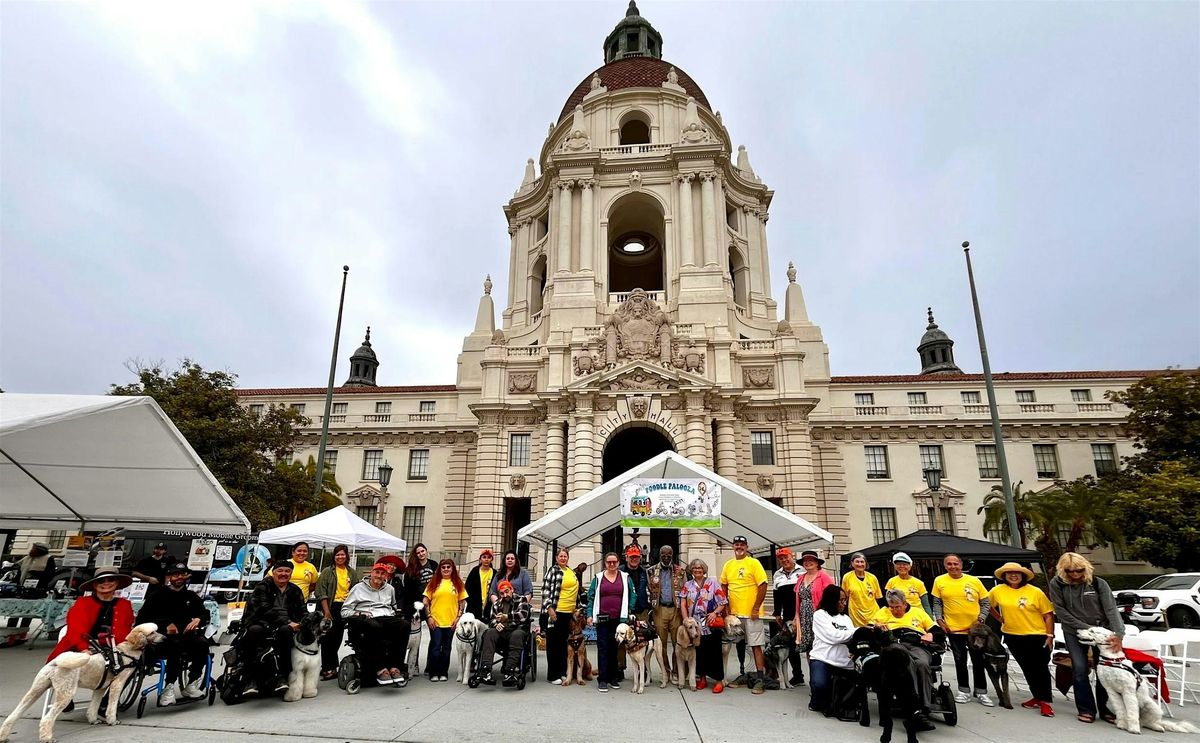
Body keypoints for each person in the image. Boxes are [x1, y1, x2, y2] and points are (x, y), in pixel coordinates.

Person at [1048, 552, 1124, 725]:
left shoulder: (1097, 583)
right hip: (1074, 631)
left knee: (1104, 670)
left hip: (1101, 630)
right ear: (1063, 570)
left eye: (1079, 570)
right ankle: (1086, 709)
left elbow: (1111, 609)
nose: (1075, 574)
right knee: (1080, 668)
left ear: (1086, 568)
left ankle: (1106, 709)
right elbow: (1060, 611)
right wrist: (1086, 628)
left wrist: (1119, 634)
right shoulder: (1057, 584)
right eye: (1070, 571)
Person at [135, 562, 210, 705]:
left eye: (182, 574)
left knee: (202, 644)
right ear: (169, 577)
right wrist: (164, 624)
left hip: (185, 636)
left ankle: (192, 682)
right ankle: (168, 687)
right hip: (161, 638)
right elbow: (142, 619)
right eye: (175, 575)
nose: (179, 577)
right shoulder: (156, 596)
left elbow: (204, 613)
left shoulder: (190, 596)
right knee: (174, 646)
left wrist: (199, 619)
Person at [989, 562, 1055, 718]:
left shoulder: (1035, 591)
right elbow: (986, 604)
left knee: (1040, 668)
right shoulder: (997, 590)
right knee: (1027, 668)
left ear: (1023, 575)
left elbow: (1048, 614)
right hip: (1013, 636)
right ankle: (1037, 696)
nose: (1013, 575)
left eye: (1017, 572)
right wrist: (999, 618)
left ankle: (1045, 702)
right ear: (1004, 575)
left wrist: (1050, 635)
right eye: (1009, 573)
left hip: (1037, 635)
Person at [931, 553, 994, 707]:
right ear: (945, 566)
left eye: (955, 563)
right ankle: (963, 690)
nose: (953, 566)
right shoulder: (939, 580)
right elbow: (937, 603)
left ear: (961, 565)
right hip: (954, 629)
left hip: (975, 631)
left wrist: (980, 619)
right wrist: (939, 620)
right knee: (960, 661)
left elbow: (986, 603)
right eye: (949, 564)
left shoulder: (974, 581)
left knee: (978, 660)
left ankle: (981, 691)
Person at [871, 589, 939, 730]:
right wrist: (877, 627)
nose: (894, 610)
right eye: (892, 607)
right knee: (906, 662)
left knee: (922, 664)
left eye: (897, 607)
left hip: (917, 643)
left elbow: (937, 631)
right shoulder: (883, 612)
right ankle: (914, 707)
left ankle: (924, 707)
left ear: (905, 604)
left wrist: (931, 635)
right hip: (895, 643)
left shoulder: (918, 613)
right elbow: (870, 628)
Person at [240, 560, 306, 696]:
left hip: (285, 627)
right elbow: (263, 609)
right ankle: (250, 679)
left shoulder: (295, 590)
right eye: (280, 571)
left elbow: (302, 611)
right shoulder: (263, 587)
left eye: (287, 571)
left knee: (286, 632)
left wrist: (305, 622)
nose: (283, 574)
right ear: (273, 572)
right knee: (254, 631)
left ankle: (282, 677)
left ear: (291, 573)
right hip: (261, 622)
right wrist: (287, 621)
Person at [48, 567, 134, 661]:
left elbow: (125, 630)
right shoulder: (83, 603)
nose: (106, 583)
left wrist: (121, 649)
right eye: (101, 581)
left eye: (111, 579)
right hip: (82, 647)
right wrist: (83, 649)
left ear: (117, 583)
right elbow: (75, 630)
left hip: (115, 649)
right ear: (95, 585)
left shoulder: (125, 604)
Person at [342, 562, 407, 684]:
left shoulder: (390, 589)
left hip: (386, 617)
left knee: (404, 625)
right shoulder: (358, 588)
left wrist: (397, 612)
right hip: (366, 617)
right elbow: (344, 611)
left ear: (386, 576)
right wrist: (359, 613)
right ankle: (380, 668)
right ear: (371, 573)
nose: (379, 576)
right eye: (377, 572)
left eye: (383, 573)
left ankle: (395, 666)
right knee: (375, 626)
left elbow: (393, 606)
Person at [720, 535, 770, 694]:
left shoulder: (754, 563)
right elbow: (724, 586)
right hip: (735, 614)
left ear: (747, 547)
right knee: (739, 644)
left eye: (742, 545)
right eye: (736, 544)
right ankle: (743, 673)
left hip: (751, 614)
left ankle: (760, 678)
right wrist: (726, 608)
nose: (739, 547)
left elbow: (763, 585)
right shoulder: (728, 564)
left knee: (755, 645)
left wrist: (756, 608)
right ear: (733, 547)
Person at [586, 552, 634, 692]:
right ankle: (602, 679)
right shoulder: (598, 578)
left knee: (615, 648)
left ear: (618, 563)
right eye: (609, 562)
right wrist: (589, 614)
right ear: (605, 563)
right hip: (602, 618)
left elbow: (633, 595)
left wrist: (629, 610)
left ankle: (613, 677)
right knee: (603, 648)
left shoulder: (625, 577)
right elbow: (591, 597)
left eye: (614, 562)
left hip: (619, 619)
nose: (612, 564)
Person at [679, 558, 728, 693]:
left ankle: (718, 680)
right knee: (700, 652)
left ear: (704, 570)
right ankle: (702, 678)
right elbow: (683, 603)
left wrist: (715, 613)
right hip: (695, 625)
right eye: (695, 568)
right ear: (691, 570)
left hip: (710, 623)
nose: (697, 570)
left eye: (700, 568)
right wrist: (686, 619)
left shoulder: (713, 583)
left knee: (714, 651)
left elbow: (723, 601)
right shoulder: (688, 585)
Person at [314, 544, 359, 681]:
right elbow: (320, 592)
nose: (340, 557)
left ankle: (332, 667)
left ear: (347, 556)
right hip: (330, 606)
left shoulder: (351, 572)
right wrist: (326, 611)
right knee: (327, 638)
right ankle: (327, 668)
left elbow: (356, 591)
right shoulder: (327, 571)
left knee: (337, 638)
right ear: (334, 556)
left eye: (342, 554)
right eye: (337, 554)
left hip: (345, 607)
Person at [792, 549, 835, 691]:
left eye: (811, 560)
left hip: (819, 616)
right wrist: (796, 617)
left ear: (817, 563)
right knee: (809, 649)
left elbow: (832, 596)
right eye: (805, 560)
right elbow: (798, 599)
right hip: (804, 617)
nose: (808, 562)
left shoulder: (824, 577)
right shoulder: (801, 578)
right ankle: (814, 681)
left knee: (820, 648)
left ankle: (824, 681)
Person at [809, 585, 855, 713]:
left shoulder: (846, 619)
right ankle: (816, 700)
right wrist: (856, 631)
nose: (844, 603)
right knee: (820, 686)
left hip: (844, 662)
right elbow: (833, 636)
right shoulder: (819, 615)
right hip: (822, 659)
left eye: (845, 600)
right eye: (841, 600)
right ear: (832, 600)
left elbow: (850, 639)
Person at [477, 579, 532, 686]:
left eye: (507, 591)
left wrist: (507, 617)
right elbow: (492, 620)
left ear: (512, 589)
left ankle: (509, 670)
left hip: (516, 630)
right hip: (502, 632)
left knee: (517, 635)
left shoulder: (522, 600)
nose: (505, 595)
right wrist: (496, 624)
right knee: (489, 633)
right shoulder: (496, 604)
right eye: (502, 593)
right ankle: (485, 669)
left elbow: (523, 616)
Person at [540, 547, 582, 684]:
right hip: (556, 611)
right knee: (553, 644)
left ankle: (563, 672)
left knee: (564, 644)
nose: (563, 558)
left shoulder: (570, 571)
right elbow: (545, 590)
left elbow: (576, 591)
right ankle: (553, 675)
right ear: (556, 558)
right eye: (561, 556)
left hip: (569, 613)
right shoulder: (553, 571)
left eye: (565, 556)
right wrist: (549, 608)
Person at [423, 558, 467, 682]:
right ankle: (433, 672)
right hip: (435, 621)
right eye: (443, 567)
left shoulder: (458, 583)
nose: (446, 569)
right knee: (436, 648)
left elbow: (462, 602)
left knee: (447, 649)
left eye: (448, 567)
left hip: (451, 622)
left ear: (452, 569)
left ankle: (443, 672)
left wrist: (458, 618)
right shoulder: (433, 582)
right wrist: (429, 617)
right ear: (440, 569)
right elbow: (425, 601)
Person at [647, 544, 686, 685]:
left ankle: (676, 671)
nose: (666, 557)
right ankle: (666, 671)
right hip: (660, 610)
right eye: (663, 555)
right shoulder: (651, 571)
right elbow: (648, 589)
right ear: (659, 555)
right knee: (661, 644)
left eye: (669, 555)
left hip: (676, 610)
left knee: (678, 643)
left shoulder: (680, 571)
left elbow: (685, 590)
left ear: (672, 555)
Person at [770, 547, 805, 685]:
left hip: (804, 611)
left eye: (786, 557)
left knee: (809, 644)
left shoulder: (803, 570)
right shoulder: (777, 574)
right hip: (788, 614)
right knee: (791, 645)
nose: (784, 560)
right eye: (781, 558)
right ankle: (798, 676)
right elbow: (776, 595)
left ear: (792, 556)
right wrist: (777, 613)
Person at [617, 544, 650, 680]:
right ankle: (620, 668)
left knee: (643, 639)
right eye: (631, 557)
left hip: (641, 610)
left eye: (636, 557)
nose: (634, 559)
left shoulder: (645, 572)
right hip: (624, 610)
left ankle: (644, 669)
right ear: (626, 557)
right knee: (621, 639)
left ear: (640, 558)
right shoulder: (619, 571)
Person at [841, 552, 884, 628]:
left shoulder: (872, 578)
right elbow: (845, 597)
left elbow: (877, 597)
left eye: (862, 562)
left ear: (866, 563)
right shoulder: (847, 577)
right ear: (852, 563)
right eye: (857, 562)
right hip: (856, 615)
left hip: (873, 614)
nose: (860, 564)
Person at [464, 549, 496, 621]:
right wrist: (470, 602)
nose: (486, 559)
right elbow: (467, 588)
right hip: (474, 607)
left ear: (492, 559)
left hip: (488, 606)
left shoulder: (494, 573)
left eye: (489, 557)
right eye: (484, 557)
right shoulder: (474, 571)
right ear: (480, 559)